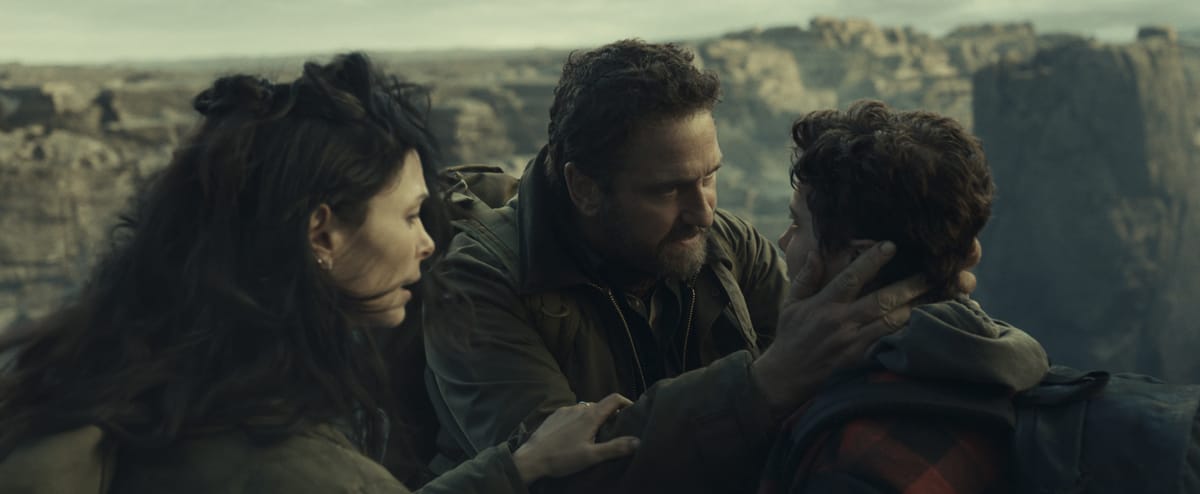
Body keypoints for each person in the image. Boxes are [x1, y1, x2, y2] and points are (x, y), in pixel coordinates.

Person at [0, 52, 638, 494]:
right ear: (321, 233)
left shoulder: (142, 379)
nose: (427, 244)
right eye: (411, 215)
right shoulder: (285, 457)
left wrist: (516, 468)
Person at [425, 40, 938, 493]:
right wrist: (760, 387)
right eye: (669, 189)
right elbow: (564, 475)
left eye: (709, 177)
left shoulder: (729, 246)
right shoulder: (478, 284)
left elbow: (823, 358)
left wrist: (932, 301)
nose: (703, 212)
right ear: (584, 188)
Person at [759, 100, 1049, 494]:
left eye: (796, 224)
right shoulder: (1005, 369)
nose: (782, 241)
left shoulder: (853, 459)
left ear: (858, 259)